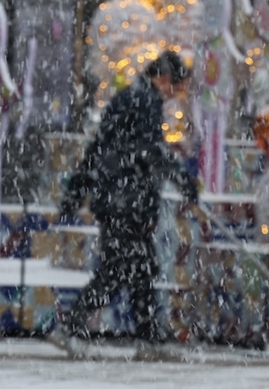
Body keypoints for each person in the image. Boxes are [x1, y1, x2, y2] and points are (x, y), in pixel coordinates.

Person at [49, 51, 199, 354]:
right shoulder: (144, 101)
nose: (176, 96)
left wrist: (78, 191)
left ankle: (147, 338)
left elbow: (100, 147)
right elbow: (148, 150)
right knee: (120, 269)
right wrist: (182, 179)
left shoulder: (132, 97)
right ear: (166, 80)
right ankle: (71, 327)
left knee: (141, 268)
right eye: (177, 87)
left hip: (120, 198)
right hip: (125, 201)